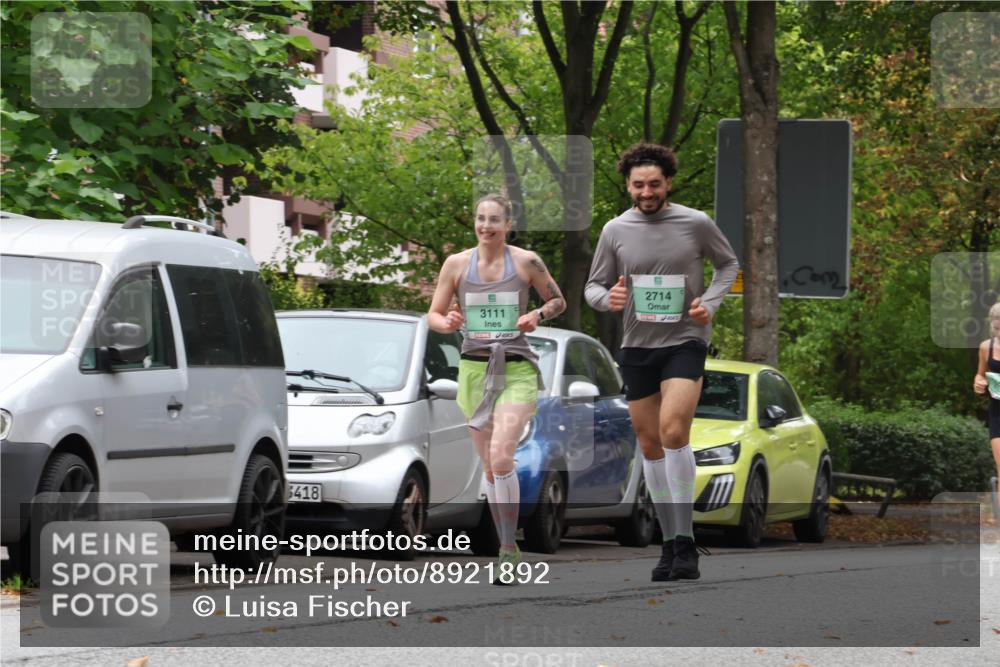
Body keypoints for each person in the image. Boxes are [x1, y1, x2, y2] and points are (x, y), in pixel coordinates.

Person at [585, 143, 739, 581]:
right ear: (628, 186)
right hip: (638, 345)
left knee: (674, 431)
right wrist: (608, 299)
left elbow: (728, 265)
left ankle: (687, 540)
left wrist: (709, 303)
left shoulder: (695, 223)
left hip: (685, 341)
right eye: (639, 185)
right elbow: (593, 287)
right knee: (650, 444)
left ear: (667, 182)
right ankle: (669, 543)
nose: (647, 192)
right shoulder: (615, 230)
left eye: (654, 184)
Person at [428, 193, 565, 584]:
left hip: (517, 368)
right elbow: (433, 315)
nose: (486, 226)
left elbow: (558, 300)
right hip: (473, 371)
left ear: (508, 225)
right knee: (490, 467)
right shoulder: (456, 264)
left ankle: (507, 549)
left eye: (494, 220)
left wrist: (536, 314)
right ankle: (510, 546)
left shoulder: (526, 262)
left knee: (503, 456)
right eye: (480, 219)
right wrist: (449, 322)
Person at [973, 301, 1000, 495]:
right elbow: (980, 375)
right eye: (997, 328)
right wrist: (979, 383)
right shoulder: (985, 348)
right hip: (998, 413)